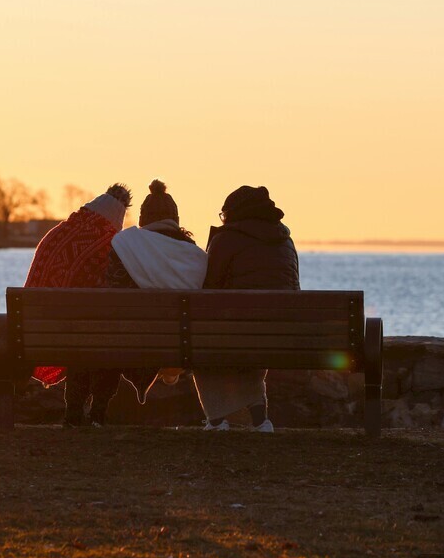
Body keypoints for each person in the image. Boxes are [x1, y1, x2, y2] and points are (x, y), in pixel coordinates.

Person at [86, 179, 208, 425]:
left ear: (143, 218)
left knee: (110, 334)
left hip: (128, 340)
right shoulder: (195, 255)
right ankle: (212, 418)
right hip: (182, 344)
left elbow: (113, 293)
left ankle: (97, 414)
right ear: (175, 218)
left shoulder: (124, 245)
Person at [23, 183, 132, 427]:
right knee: (98, 340)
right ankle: (96, 413)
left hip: (34, 333)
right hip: (75, 335)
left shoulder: (57, 233)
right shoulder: (108, 242)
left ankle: (74, 413)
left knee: (81, 338)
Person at [194, 185, 299, 432]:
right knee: (251, 340)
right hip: (282, 336)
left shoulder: (226, 239)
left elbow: (209, 290)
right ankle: (260, 421)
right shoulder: (286, 240)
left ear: (233, 213)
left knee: (199, 342)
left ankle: (217, 420)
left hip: (237, 332)